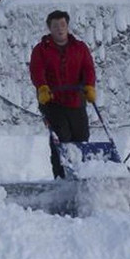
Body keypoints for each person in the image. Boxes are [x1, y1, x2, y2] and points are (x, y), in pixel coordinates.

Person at [29, 10, 97, 179]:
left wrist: (89, 86)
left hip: (76, 101)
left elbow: (88, 68)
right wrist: (42, 87)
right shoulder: (41, 49)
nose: (60, 29)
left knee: (81, 138)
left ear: (67, 26)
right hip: (53, 102)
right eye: (55, 26)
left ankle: (83, 174)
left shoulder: (80, 48)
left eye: (62, 25)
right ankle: (61, 176)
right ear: (49, 28)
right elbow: (37, 70)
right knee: (61, 139)